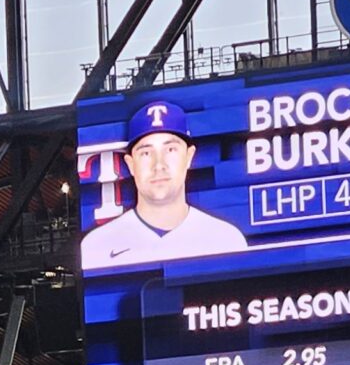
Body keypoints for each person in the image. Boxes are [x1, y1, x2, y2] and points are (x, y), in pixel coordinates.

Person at [79, 97, 249, 270]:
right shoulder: (95, 247)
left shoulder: (226, 239)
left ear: (189, 157)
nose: (159, 165)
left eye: (170, 150)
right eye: (146, 153)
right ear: (130, 164)